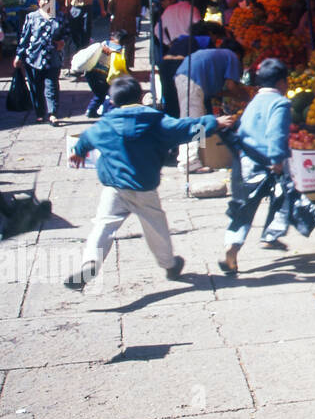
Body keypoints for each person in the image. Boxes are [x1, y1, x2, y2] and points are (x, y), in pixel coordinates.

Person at [65, 76, 236, 291]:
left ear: (113, 102)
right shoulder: (156, 122)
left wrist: (79, 152)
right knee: (156, 227)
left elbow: (87, 137)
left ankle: (90, 262)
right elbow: (187, 130)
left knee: (103, 224)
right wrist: (213, 124)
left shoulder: (105, 124)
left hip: (114, 186)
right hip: (143, 187)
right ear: (140, 96)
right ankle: (170, 265)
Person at [220, 58, 315, 273]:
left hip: (245, 161)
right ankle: (271, 235)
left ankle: (233, 245)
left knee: (245, 207)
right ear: (283, 83)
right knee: (282, 198)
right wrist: (276, 160)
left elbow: (243, 129)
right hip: (267, 162)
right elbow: (277, 133)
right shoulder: (281, 103)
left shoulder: (254, 102)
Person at [174, 38, 247, 172]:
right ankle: (190, 162)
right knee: (195, 122)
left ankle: (197, 157)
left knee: (194, 119)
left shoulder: (218, 55)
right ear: (238, 53)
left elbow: (219, 91)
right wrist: (243, 95)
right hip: (192, 81)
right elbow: (231, 86)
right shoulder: (231, 56)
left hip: (184, 77)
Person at [13, 0, 69, 125]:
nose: (47, 2)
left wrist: (62, 42)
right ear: (38, 2)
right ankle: (39, 113)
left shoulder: (60, 17)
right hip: (33, 58)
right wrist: (19, 55)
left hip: (53, 57)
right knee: (36, 88)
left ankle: (52, 114)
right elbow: (24, 37)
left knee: (52, 86)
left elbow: (67, 34)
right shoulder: (31, 17)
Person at [77, 29, 131, 118]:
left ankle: (94, 110)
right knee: (106, 94)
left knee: (100, 94)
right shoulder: (120, 50)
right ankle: (102, 111)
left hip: (90, 72)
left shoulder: (104, 43)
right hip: (102, 75)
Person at [107, 0, 143, 68]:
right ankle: (127, 64)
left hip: (117, 22)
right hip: (130, 22)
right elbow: (138, 12)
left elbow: (109, 9)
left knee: (115, 44)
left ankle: (115, 64)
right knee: (129, 45)